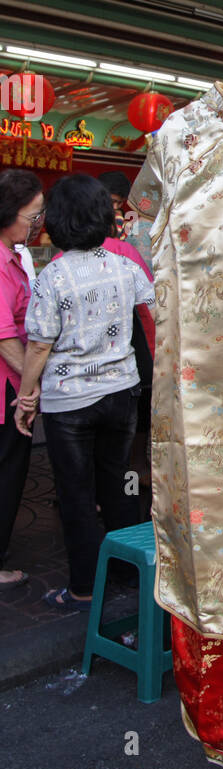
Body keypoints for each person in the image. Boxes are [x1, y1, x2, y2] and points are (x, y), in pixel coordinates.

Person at [14, 175, 155, 612]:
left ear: (56, 221)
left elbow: (39, 344)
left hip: (69, 402)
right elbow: (151, 307)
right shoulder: (124, 266)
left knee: (76, 493)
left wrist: (25, 397)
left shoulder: (52, 275)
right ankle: (128, 573)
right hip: (120, 394)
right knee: (120, 485)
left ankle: (83, 587)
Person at [0, 169, 44, 590]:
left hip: (11, 386)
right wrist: (30, 386)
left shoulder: (11, 256)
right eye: (32, 217)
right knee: (7, 474)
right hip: (4, 391)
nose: (37, 226)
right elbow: (4, 337)